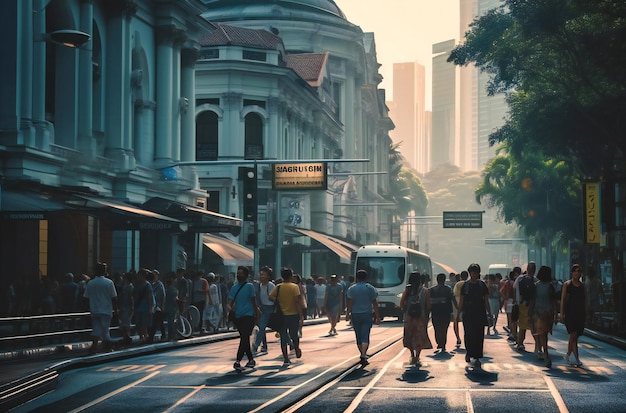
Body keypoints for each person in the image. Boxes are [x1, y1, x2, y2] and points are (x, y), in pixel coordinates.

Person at [457, 263, 491, 368]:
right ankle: (469, 352)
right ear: (469, 273)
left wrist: (489, 313)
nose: (473, 275)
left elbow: (486, 300)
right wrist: (458, 314)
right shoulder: (465, 286)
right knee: (468, 334)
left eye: (475, 273)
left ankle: (477, 357)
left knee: (479, 335)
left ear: (478, 273)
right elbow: (461, 301)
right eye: (472, 272)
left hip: (480, 314)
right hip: (468, 314)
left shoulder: (482, 285)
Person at [346, 269, 380, 367]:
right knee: (365, 335)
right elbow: (374, 303)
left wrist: (348, 314)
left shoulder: (352, 289)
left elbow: (350, 303)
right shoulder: (370, 288)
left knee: (358, 335)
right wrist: (377, 316)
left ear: (357, 277)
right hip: (367, 314)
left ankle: (362, 353)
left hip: (355, 314)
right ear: (366, 278)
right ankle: (363, 354)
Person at [269, 267, 304, 365]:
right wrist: (301, 315)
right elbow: (297, 302)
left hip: (282, 315)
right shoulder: (294, 287)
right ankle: (296, 349)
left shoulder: (278, 287)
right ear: (291, 276)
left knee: (283, 337)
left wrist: (278, 301)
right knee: (294, 335)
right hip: (293, 315)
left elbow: (270, 296)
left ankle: (286, 358)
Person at [228, 266, 259, 370]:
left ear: (246, 275)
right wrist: (229, 308)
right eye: (238, 273)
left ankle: (238, 361)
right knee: (244, 338)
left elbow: (253, 301)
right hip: (238, 316)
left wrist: (256, 314)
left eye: (241, 273)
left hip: (249, 315)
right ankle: (250, 360)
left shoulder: (250, 286)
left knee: (244, 337)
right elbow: (230, 303)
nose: (239, 275)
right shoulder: (234, 287)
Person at [83, 262, 118, 354]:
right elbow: (114, 297)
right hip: (106, 310)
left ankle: (94, 347)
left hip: (94, 309)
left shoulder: (90, 283)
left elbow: (86, 297)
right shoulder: (109, 282)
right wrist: (116, 310)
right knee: (105, 330)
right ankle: (107, 347)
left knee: (96, 329)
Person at [400, 272, 432, 366]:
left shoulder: (407, 290)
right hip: (420, 318)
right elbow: (429, 305)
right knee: (419, 337)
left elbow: (401, 304)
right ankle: (417, 356)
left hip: (409, 318)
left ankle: (412, 354)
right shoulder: (425, 291)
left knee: (409, 336)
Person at [529, 265, 558, 368]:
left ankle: (545, 354)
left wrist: (530, 314)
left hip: (537, 313)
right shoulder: (550, 286)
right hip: (548, 313)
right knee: (544, 335)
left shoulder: (535, 286)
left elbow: (532, 301)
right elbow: (554, 302)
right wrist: (555, 316)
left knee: (540, 335)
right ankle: (544, 353)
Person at [560, 264, 587, 367]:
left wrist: (587, 313)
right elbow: (562, 300)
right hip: (570, 313)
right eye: (575, 271)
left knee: (575, 336)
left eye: (579, 271)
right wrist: (561, 313)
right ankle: (569, 354)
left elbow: (585, 300)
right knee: (573, 334)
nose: (577, 273)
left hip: (580, 313)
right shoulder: (567, 285)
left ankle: (575, 358)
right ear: (572, 273)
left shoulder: (583, 286)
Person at [429, 272, 458, 353]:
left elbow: (428, 302)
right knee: (444, 329)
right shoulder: (448, 289)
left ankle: (439, 342)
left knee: (437, 328)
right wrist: (458, 308)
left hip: (435, 312)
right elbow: (453, 299)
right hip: (446, 312)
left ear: (437, 280)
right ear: (444, 280)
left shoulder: (431, 290)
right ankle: (443, 344)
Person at [515, 262, 537, 351]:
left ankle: (520, 344)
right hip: (531, 306)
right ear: (534, 270)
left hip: (521, 304)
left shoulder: (520, 278)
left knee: (522, 327)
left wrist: (516, 302)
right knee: (532, 326)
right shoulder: (535, 280)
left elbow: (515, 289)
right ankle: (538, 345)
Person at [252, 266, 275, 353]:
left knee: (262, 327)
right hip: (261, 308)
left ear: (268, 276)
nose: (261, 276)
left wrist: (271, 297)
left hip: (269, 308)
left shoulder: (271, 285)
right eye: (260, 274)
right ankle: (264, 345)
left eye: (263, 275)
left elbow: (275, 298)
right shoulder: (259, 285)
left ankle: (256, 345)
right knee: (262, 327)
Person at [148, 269, 166, 342]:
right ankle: (151, 336)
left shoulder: (160, 284)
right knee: (153, 322)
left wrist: (163, 305)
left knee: (158, 322)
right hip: (152, 306)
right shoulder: (149, 284)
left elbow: (164, 295)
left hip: (158, 306)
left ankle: (162, 335)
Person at [452, 270, 468, 346]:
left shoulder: (458, 284)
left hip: (457, 303)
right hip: (466, 304)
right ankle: (467, 337)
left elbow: (454, 295)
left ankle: (458, 338)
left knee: (455, 323)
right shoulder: (468, 284)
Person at [118, 272, 134, 345]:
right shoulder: (125, 286)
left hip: (127, 307)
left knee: (126, 323)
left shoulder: (129, 287)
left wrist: (132, 307)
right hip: (124, 306)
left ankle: (127, 337)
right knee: (123, 323)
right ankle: (125, 337)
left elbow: (131, 298)